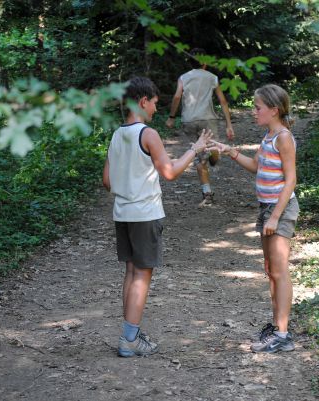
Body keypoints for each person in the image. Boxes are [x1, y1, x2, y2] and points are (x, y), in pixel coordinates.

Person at [102, 76, 212, 357]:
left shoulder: (117, 134)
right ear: (142, 101)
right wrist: (195, 149)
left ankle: (130, 334)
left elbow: (107, 180)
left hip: (123, 214)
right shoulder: (147, 134)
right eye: (153, 103)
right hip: (145, 214)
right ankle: (130, 340)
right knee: (142, 275)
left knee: (130, 271)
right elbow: (170, 172)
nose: (155, 109)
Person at [209, 84, 299, 353]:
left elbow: (291, 179)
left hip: (278, 210)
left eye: (257, 107)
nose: (253, 111)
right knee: (270, 270)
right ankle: (276, 326)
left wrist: (275, 217)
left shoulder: (283, 137)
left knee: (280, 271)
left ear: (274, 110)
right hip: (266, 208)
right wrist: (230, 151)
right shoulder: (268, 135)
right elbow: (256, 167)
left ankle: (283, 335)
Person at [165, 48, 235, 206]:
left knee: (198, 156)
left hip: (188, 121)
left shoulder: (183, 77)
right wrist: (228, 125)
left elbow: (177, 96)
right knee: (213, 150)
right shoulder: (212, 77)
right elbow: (223, 101)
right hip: (208, 120)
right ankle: (212, 155)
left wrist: (171, 117)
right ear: (204, 62)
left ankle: (207, 193)